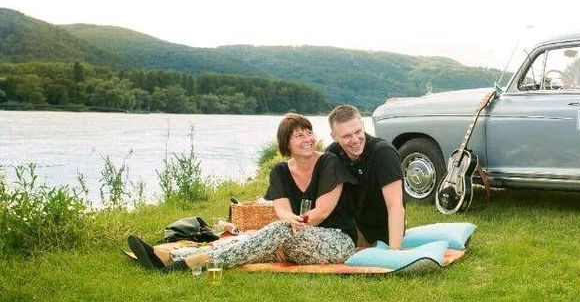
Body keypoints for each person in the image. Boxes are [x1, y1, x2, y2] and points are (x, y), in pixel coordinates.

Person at [128, 113, 356, 272]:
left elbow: (322, 212)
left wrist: (293, 225)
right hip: (297, 239)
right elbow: (282, 209)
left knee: (274, 232)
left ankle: (190, 261)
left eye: (309, 132)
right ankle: (171, 257)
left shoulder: (329, 162)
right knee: (253, 241)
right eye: (298, 135)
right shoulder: (280, 171)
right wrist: (291, 222)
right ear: (286, 144)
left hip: (336, 240)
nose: (307, 139)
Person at [326, 104, 405, 249]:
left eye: (358, 131)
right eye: (347, 136)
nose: (355, 139)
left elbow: (395, 207)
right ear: (334, 137)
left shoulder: (383, 153)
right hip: (347, 227)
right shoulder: (332, 154)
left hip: (380, 233)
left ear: (363, 125)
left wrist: (394, 254)